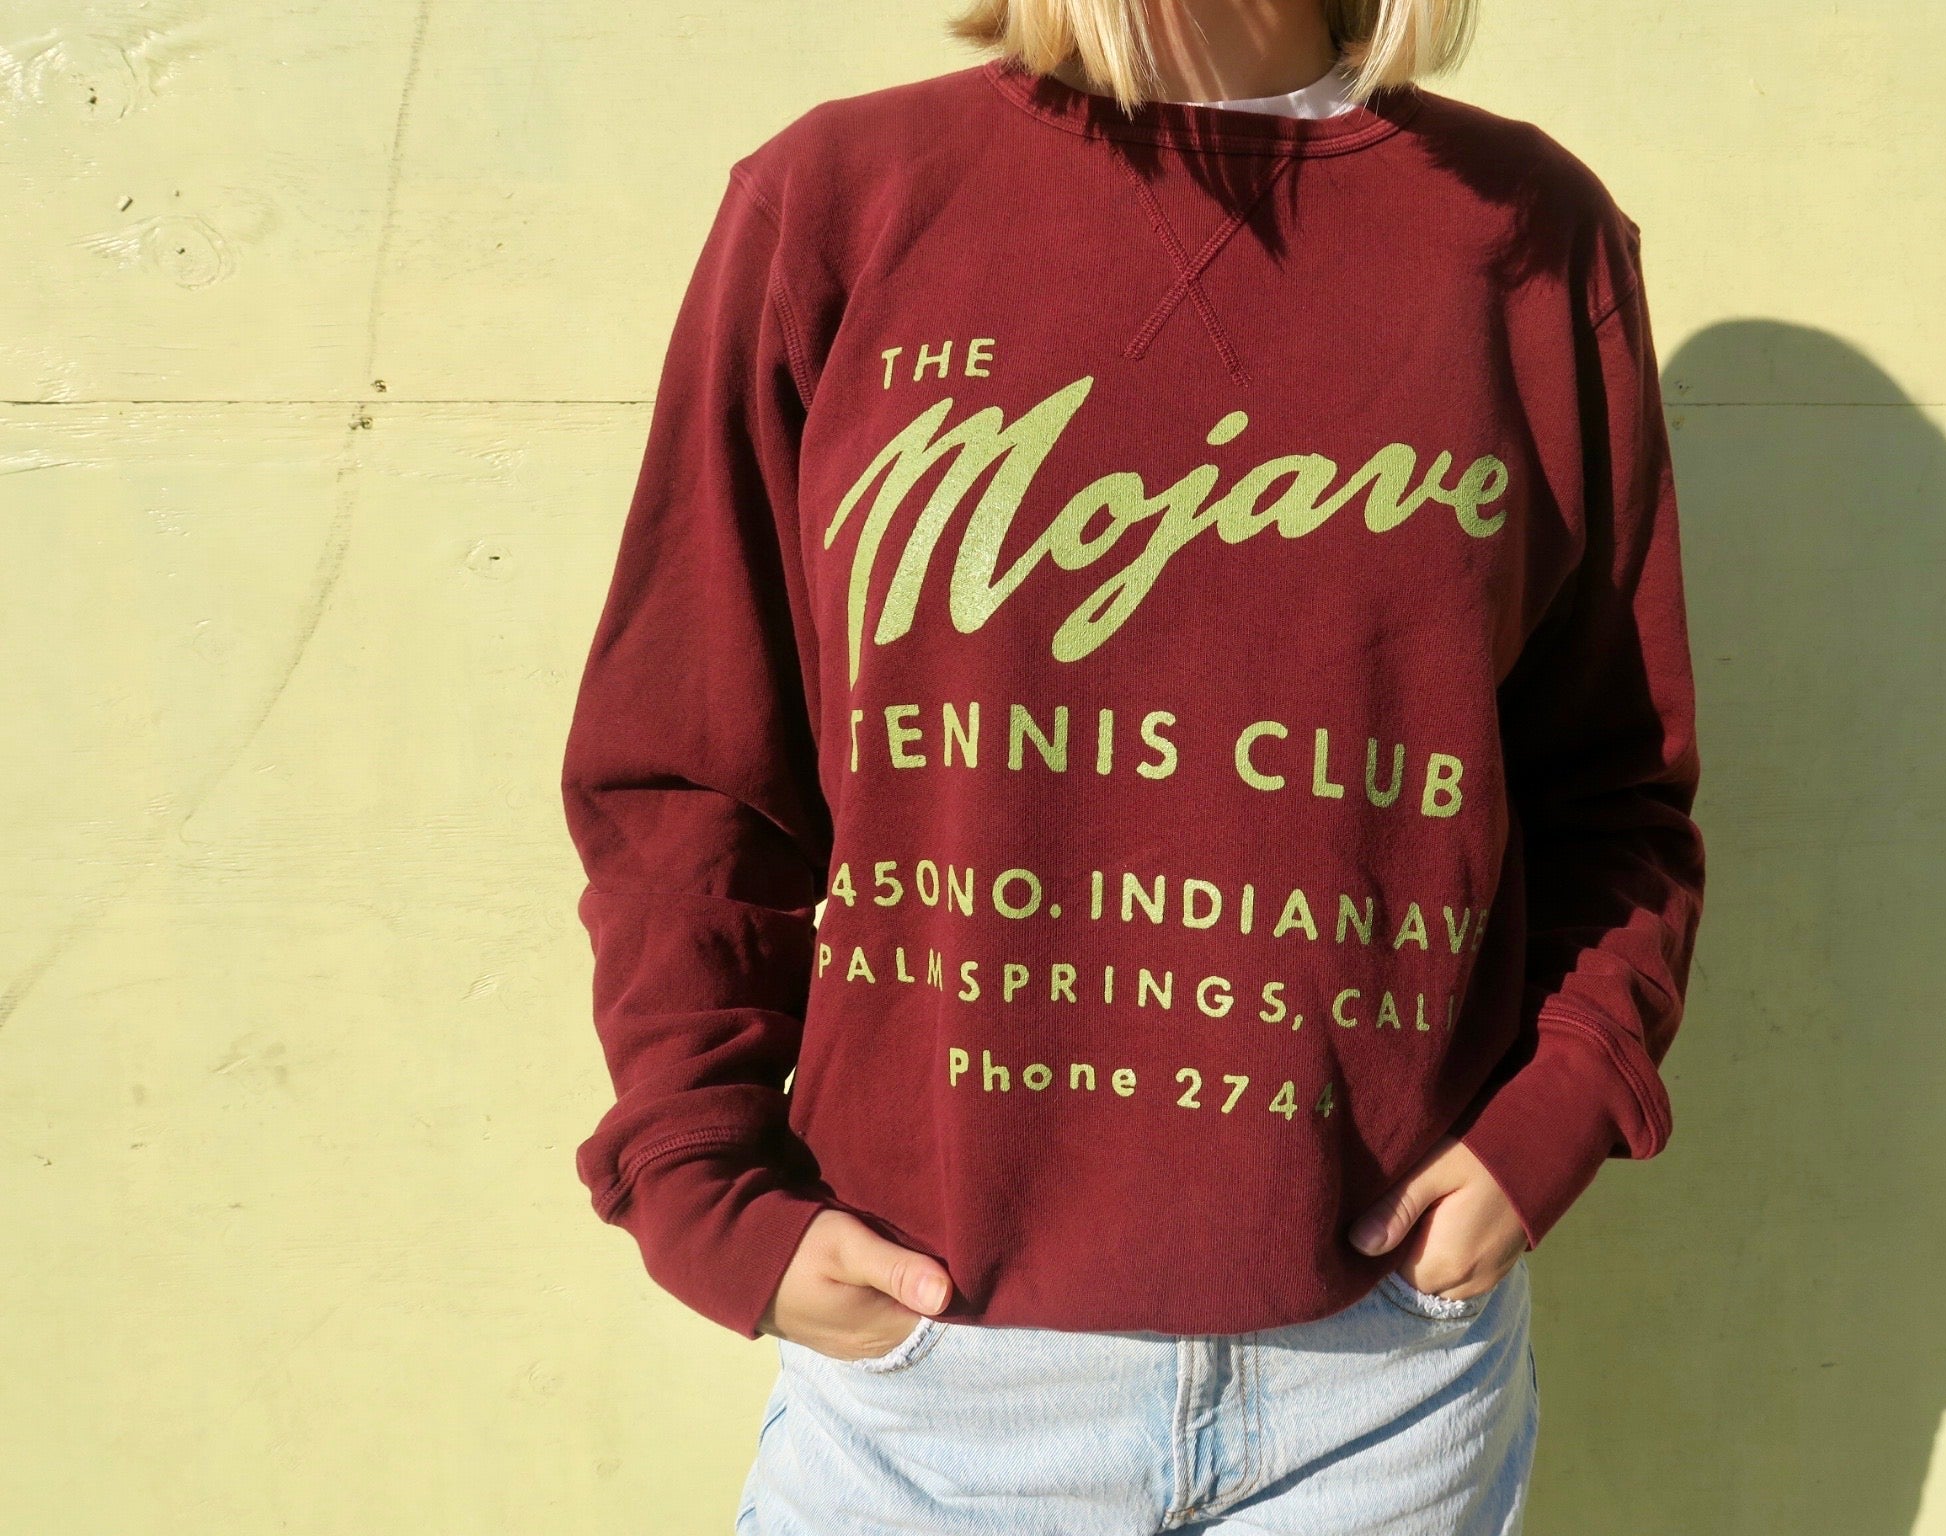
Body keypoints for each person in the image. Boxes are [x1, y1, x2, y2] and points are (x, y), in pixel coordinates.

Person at [558, 0, 1705, 1529]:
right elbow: (689, 772)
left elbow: (1611, 789)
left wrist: (1558, 1109)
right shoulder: (841, 202)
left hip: (1384, 1385)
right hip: (937, 1374)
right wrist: (702, 1176)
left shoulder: (1529, 239)